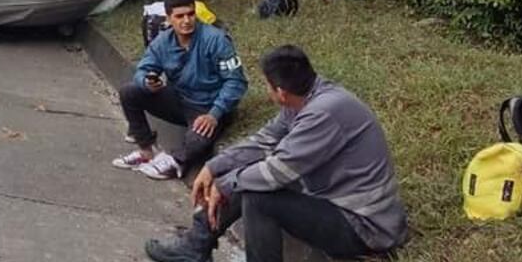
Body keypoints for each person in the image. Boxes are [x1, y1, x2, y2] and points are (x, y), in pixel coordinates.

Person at [144, 45, 409, 262]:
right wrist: (214, 166)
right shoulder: (305, 100)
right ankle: (196, 245)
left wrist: (226, 183)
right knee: (246, 178)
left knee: (258, 195)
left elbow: (277, 171)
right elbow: (262, 142)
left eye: (268, 86)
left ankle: (197, 246)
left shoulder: (323, 113)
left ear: (280, 92)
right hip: (332, 200)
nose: (268, 92)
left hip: (364, 225)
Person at [113, 0, 247, 181]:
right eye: (180, 16)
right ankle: (145, 152)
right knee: (129, 92)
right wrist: (147, 81)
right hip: (179, 100)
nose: (186, 21)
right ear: (169, 19)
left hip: (208, 107)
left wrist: (215, 114)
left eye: (190, 14)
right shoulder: (162, 41)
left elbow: (236, 82)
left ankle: (175, 160)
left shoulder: (216, 39)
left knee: (199, 139)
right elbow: (143, 70)